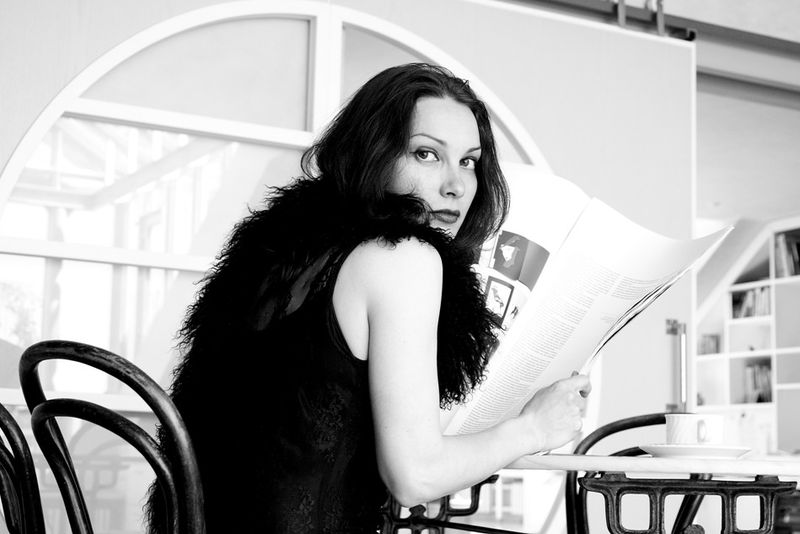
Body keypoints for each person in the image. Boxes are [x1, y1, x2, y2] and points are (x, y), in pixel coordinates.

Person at [145, 63, 590, 533]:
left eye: (468, 162)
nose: (456, 185)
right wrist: (533, 428)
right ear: (374, 154)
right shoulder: (402, 256)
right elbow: (416, 477)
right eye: (426, 154)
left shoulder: (292, 250)